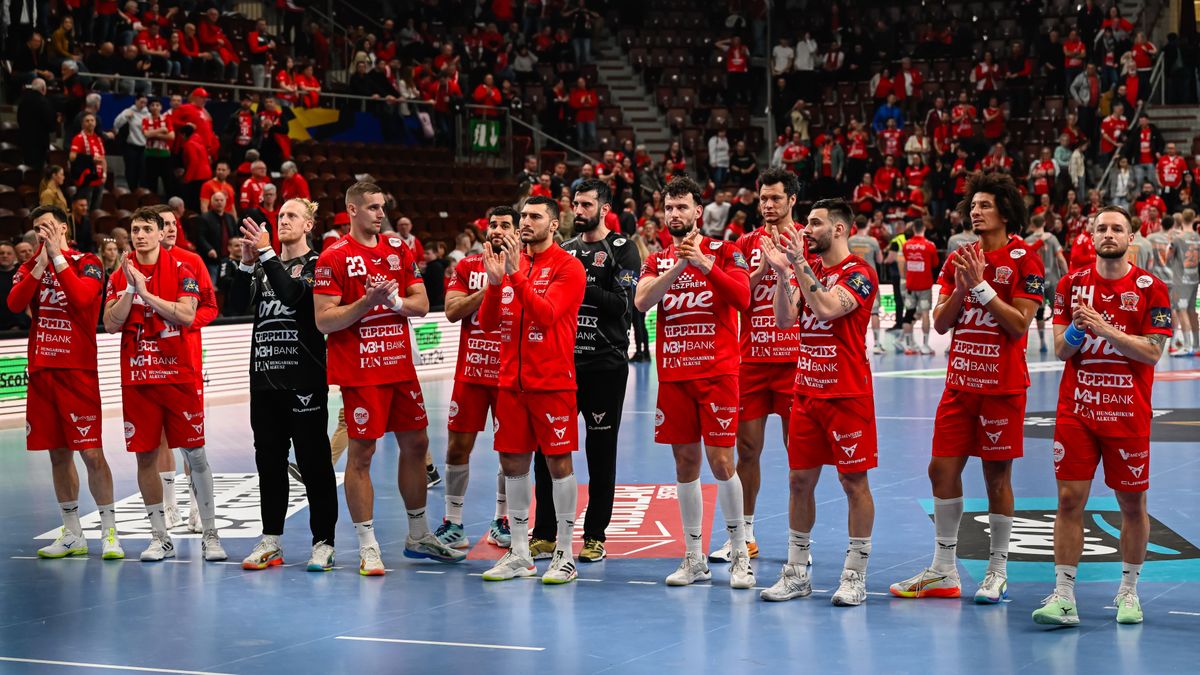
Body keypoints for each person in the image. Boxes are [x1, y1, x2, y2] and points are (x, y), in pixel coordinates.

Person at [890, 173, 1044, 603]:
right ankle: (943, 570)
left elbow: (1019, 325)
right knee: (940, 470)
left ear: (1005, 212)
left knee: (996, 477)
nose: (975, 212)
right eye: (972, 206)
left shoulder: (1026, 260)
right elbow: (941, 323)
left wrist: (981, 286)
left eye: (984, 205)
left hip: (1002, 387)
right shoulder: (959, 257)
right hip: (959, 385)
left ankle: (997, 570)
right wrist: (961, 289)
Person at [313, 182, 464, 575]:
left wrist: (394, 301)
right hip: (360, 372)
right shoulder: (333, 257)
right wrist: (367, 302)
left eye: (382, 207)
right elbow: (324, 320)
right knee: (362, 454)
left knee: (417, 444)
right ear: (352, 209)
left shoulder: (397, 248)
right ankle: (368, 545)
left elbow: (422, 303)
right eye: (373, 207)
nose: (381, 214)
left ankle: (418, 535)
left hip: (399, 368)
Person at [1032, 206, 1172, 626]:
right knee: (1068, 499)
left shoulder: (1152, 288)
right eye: (1101, 228)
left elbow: (1152, 352)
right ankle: (1064, 596)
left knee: (1132, 502)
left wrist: (1104, 327)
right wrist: (1079, 328)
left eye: (1117, 228)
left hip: (1127, 412)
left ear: (1131, 237)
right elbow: (1062, 350)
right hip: (1077, 410)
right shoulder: (1071, 284)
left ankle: (1128, 591)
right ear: (1091, 236)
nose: (1108, 234)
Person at [755, 198, 879, 606]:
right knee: (799, 481)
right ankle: (796, 572)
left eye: (814, 223)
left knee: (853, 482)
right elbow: (784, 320)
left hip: (847, 395)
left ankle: (855, 575)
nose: (806, 230)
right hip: (806, 392)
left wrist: (797, 264)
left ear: (839, 229)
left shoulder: (860, 273)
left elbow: (826, 309)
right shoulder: (808, 267)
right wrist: (781, 274)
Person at [634, 176, 754, 589]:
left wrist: (703, 264)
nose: (674, 214)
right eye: (669, 208)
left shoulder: (727, 251)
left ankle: (740, 553)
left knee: (722, 463)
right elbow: (642, 301)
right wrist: (680, 266)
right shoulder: (657, 259)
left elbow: (742, 298)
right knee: (685, 464)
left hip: (717, 373)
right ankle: (693, 556)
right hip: (675, 375)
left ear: (698, 212)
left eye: (682, 207)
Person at [102, 207, 225, 563]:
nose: (140, 235)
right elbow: (111, 323)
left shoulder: (183, 269)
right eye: (135, 230)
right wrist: (130, 289)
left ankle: (210, 533)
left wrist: (147, 293)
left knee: (195, 454)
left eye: (146, 229)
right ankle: (160, 537)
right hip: (139, 380)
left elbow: (187, 314)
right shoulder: (120, 274)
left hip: (178, 377)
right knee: (145, 457)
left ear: (160, 234)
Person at [476, 195, 587, 584]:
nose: (525, 222)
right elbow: (487, 323)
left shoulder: (569, 267)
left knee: (558, 465)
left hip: (553, 383)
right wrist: (495, 284)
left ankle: (565, 552)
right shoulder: (512, 265)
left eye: (534, 216)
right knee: (513, 464)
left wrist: (515, 276)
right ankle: (520, 552)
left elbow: (547, 314)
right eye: (522, 215)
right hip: (511, 384)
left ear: (554, 224)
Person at [530, 179, 640, 563]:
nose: (578, 211)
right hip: (564, 365)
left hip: (605, 364)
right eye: (575, 204)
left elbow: (621, 304)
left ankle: (595, 535)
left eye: (586, 205)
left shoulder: (623, 249)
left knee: (600, 451)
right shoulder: (566, 249)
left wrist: (574, 282)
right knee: (548, 449)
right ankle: (544, 533)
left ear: (604, 208)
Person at [227, 201, 340, 572]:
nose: (284, 220)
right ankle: (271, 540)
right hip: (264, 379)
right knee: (269, 463)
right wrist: (247, 264)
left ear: (309, 224)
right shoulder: (263, 265)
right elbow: (234, 307)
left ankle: (323, 542)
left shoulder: (319, 264)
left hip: (303, 379)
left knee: (314, 463)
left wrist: (265, 253)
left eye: (292, 215)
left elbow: (293, 296)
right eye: (280, 217)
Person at [7, 205, 123, 560]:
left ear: (63, 228)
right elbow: (14, 304)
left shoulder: (87, 261)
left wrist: (57, 257)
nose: (41, 232)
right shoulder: (30, 266)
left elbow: (83, 298)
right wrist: (41, 263)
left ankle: (109, 532)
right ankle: (72, 533)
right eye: (36, 227)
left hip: (77, 371)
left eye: (47, 226)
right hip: (43, 372)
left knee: (91, 453)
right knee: (58, 454)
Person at [708, 169, 802, 564]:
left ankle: (799, 544)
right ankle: (744, 535)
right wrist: (761, 270)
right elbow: (736, 297)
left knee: (800, 459)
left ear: (791, 200)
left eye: (776, 198)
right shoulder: (744, 245)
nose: (768, 205)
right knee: (746, 451)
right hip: (750, 362)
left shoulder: (806, 241)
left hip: (795, 362)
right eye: (763, 198)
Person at [434, 207, 516, 552]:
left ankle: (502, 521)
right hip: (471, 372)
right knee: (457, 448)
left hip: (508, 373)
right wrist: (492, 285)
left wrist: (508, 276)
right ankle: (453, 523)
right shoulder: (468, 266)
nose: (497, 230)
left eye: (505, 225)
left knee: (510, 450)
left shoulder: (525, 268)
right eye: (493, 225)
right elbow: (452, 311)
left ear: (517, 232)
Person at [150, 204, 219, 532]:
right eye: (164, 224)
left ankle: (195, 506)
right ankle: (169, 503)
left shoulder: (192, 260)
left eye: (174, 224)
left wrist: (186, 322)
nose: (171, 229)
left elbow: (210, 305)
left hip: (186, 361)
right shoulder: (139, 265)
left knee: (191, 436)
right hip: (152, 361)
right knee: (161, 437)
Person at [1025, 214, 1069, 353]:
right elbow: (1060, 258)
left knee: (1039, 311)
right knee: (1058, 310)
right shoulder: (1052, 238)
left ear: (1032, 224)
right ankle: (1058, 341)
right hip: (1052, 278)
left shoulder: (1027, 240)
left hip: (1034, 279)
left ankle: (1042, 342)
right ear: (1044, 223)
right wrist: (1067, 275)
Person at [898, 218, 939, 354]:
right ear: (924, 229)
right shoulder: (930, 245)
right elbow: (935, 264)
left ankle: (908, 346)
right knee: (925, 314)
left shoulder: (906, 245)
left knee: (909, 314)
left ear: (913, 228)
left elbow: (905, 261)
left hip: (910, 285)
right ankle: (925, 346)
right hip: (925, 286)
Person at [1166, 215, 1200, 355]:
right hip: (1194, 278)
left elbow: (1168, 257)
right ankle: (1197, 346)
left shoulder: (1177, 238)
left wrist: (1170, 244)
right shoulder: (1198, 237)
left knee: (1181, 310)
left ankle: (1187, 346)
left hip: (1181, 281)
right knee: (1192, 311)